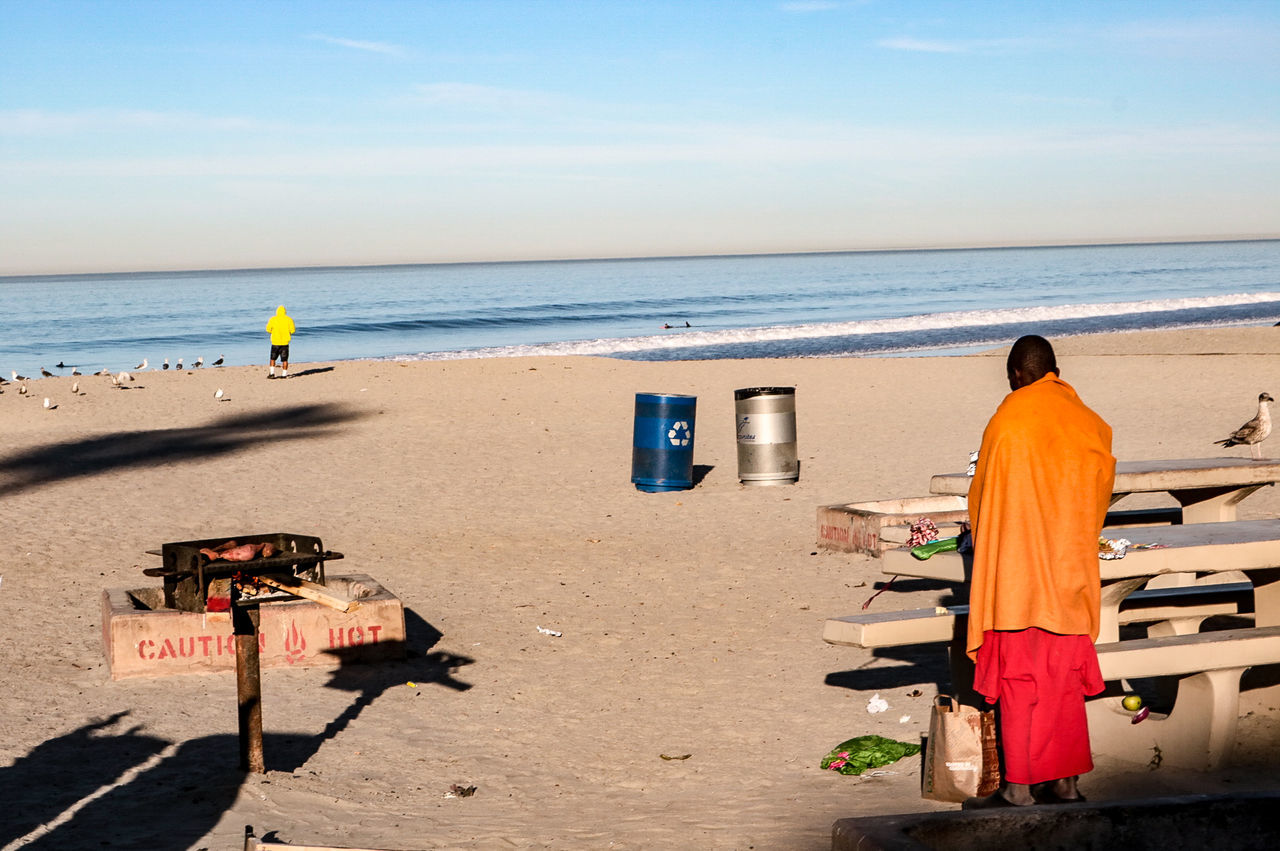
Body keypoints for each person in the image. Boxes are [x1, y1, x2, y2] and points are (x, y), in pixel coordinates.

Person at [962, 334, 1116, 809]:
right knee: (1063, 683)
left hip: (1017, 575)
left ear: (1016, 375)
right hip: (1069, 571)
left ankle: (1019, 788)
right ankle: (1066, 785)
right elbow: (1098, 495)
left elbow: (984, 499)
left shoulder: (1010, 417)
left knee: (1020, 683)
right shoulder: (1090, 422)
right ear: (1053, 369)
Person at [265, 305, 296, 379]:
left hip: (275, 342)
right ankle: (284, 375)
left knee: (272, 359)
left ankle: (272, 373)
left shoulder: (273, 319)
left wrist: (274, 332)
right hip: (285, 343)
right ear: (285, 312)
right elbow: (293, 330)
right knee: (285, 360)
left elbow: (268, 329)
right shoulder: (289, 319)